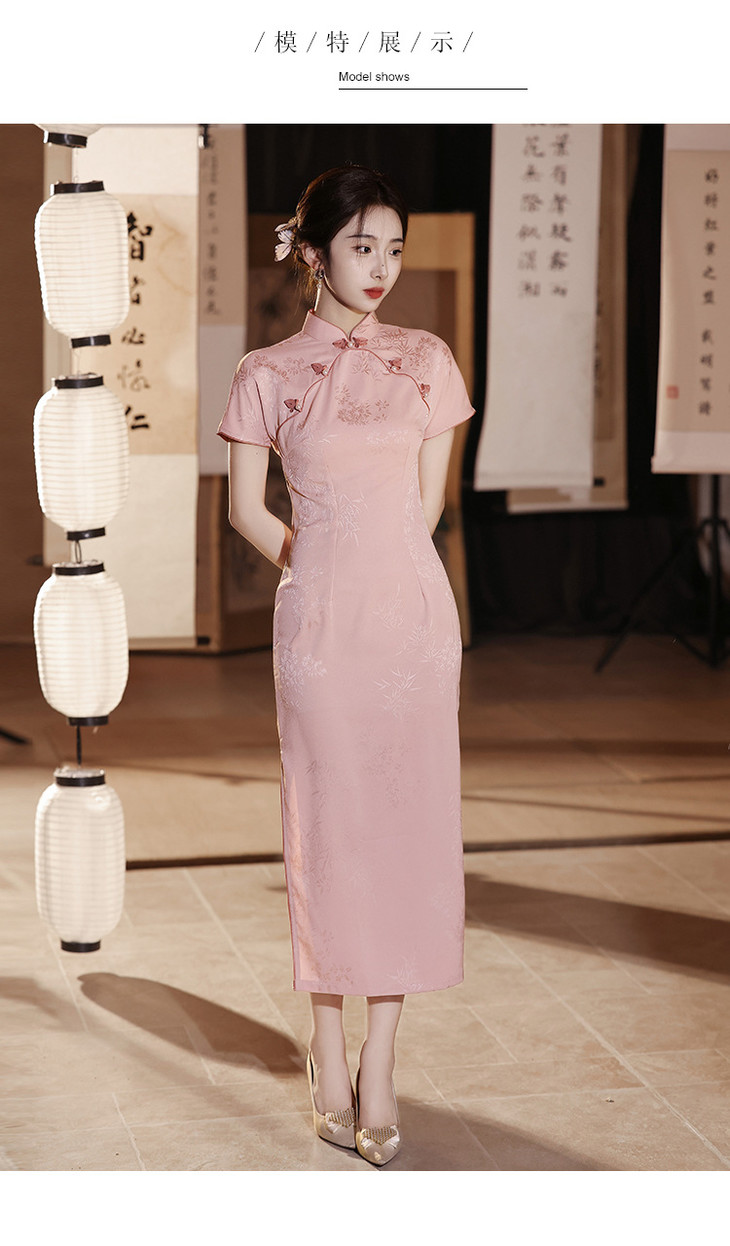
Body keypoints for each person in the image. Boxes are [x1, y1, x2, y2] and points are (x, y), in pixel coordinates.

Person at [217, 164, 474, 1166]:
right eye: (363, 246)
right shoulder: (266, 372)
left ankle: (381, 1055)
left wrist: (376, 569)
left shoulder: (427, 360)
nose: (382, 267)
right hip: (319, 629)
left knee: (406, 831)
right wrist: (316, 563)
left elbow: (428, 506)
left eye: (395, 248)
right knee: (328, 830)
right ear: (316, 252)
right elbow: (246, 509)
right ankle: (325, 1048)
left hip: (412, 624)